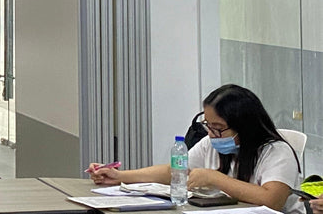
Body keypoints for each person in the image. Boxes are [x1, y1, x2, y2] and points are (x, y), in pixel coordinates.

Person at [90, 84, 302, 214]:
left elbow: (272, 200)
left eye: (218, 128)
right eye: (208, 125)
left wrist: (214, 178)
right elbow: (174, 171)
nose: (211, 134)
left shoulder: (276, 152)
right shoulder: (211, 143)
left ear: (244, 127)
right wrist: (121, 176)